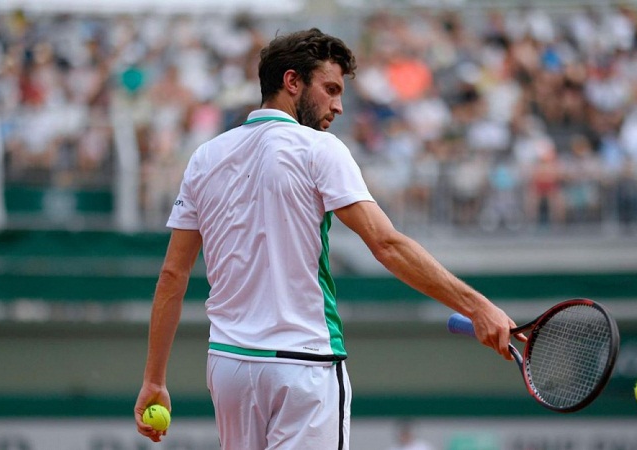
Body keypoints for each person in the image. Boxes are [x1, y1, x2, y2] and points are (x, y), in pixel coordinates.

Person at [134, 28, 521, 450]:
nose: (338, 106)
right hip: (304, 366)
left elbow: (174, 274)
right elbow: (386, 245)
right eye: (331, 89)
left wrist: (154, 379)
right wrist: (478, 306)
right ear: (292, 82)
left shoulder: (204, 158)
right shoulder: (320, 149)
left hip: (229, 369)